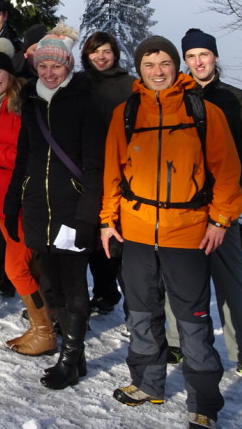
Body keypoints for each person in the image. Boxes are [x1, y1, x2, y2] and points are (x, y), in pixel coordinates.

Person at [101, 36, 242, 429]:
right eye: (149, 64)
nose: (158, 71)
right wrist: (106, 220)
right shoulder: (126, 112)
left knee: (193, 320)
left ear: (176, 66)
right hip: (137, 231)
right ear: (139, 69)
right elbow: (113, 171)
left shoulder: (203, 110)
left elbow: (227, 171)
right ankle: (148, 384)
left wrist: (220, 220)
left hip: (188, 231)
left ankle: (204, 403)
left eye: (165, 63)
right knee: (142, 314)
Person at [166, 28, 242, 390]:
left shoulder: (236, 99)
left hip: (222, 206)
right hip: (182, 206)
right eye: (191, 56)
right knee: (177, 278)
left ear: (214, 57)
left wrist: (226, 197)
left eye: (204, 55)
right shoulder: (175, 96)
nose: (198, 62)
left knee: (230, 283)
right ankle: (176, 343)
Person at [4, 24, 105, 390]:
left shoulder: (84, 102)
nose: (49, 72)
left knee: (75, 287)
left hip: (71, 209)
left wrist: (87, 215)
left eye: (56, 66)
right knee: (52, 284)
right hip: (38, 209)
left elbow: (95, 165)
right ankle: (73, 356)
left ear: (68, 66)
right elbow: (25, 155)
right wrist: (13, 199)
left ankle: (71, 357)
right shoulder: (30, 101)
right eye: (43, 66)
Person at [0, 49, 56, 357]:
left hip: (21, 201)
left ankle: (45, 332)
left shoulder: (20, 106)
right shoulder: (2, 106)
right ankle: (40, 327)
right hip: (7, 199)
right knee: (22, 267)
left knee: (17, 269)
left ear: (10, 75)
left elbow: (24, 157)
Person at [80, 31, 135, 315]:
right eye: (94, 51)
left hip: (123, 172)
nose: (100, 57)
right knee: (92, 238)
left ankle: (134, 307)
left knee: (120, 241)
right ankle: (105, 292)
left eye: (106, 51)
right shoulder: (78, 84)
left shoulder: (130, 86)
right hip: (89, 171)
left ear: (115, 54)